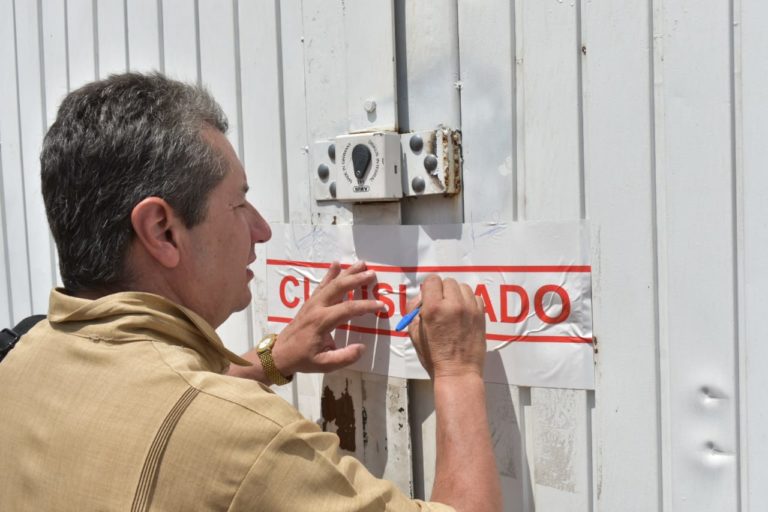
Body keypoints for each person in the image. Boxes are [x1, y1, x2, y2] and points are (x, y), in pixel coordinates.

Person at [0, 72, 501, 512]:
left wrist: (270, 359)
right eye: (239, 204)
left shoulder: (22, 361)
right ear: (162, 231)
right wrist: (457, 373)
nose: (261, 229)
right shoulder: (246, 441)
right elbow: (190, 418)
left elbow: (128, 400)